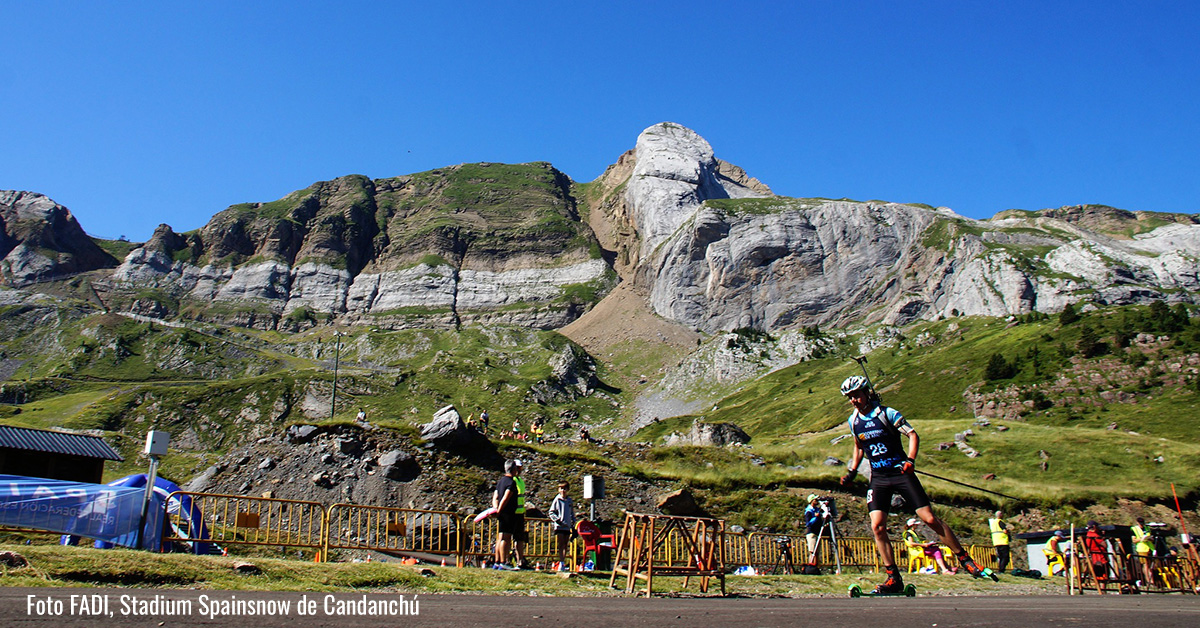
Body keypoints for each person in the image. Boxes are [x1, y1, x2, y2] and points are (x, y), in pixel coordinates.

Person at [837, 375, 993, 594]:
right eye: (849, 397)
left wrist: (910, 460)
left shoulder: (886, 414)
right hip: (879, 477)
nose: (853, 400)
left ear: (866, 393)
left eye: (856, 395)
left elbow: (912, 434)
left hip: (901, 473)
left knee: (929, 519)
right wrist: (852, 471)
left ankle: (966, 560)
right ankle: (893, 578)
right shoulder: (853, 421)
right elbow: (858, 445)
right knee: (877, 526)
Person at [492, 459, 527, 569]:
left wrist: (496, 508)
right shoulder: (511, 482)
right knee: (505, 538)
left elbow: (496, 496)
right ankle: (503, 562)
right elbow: (506, 497)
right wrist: (500, 510)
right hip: (508, 513)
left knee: (501, 536)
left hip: (503, 513)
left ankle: (497, 561)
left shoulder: (501, 481)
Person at [549, 481, 576, 571]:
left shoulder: (569, 501)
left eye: (565, 488)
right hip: (560, 526)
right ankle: (561, 562)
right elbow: (551, 512)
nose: (563, 490)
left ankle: (563, 562)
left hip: (567, 525)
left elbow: (572, 513)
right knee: (561, 544)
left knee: (565, 544)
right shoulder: (557, 500)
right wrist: (557, 520)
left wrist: (573, 523)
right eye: (561, 488)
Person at [1131, 517, 1154, 585]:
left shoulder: (1147, 528)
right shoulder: (1134, 529)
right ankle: (1148, 580)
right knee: (1145, 564)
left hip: (1150, 548)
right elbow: (1134, 540)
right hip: (1142, 548)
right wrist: (1142, 539)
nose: (1142, 524)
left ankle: (1152, 580)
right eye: (1140, 523)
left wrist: (1149, 538)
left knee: (1151, 565)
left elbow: (1151, 538)